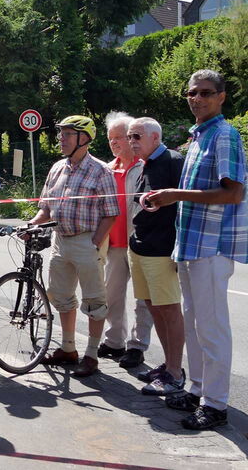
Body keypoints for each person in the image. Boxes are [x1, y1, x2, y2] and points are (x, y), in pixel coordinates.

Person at [147, 69, 247, 430]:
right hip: (190, 244)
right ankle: (198, 389)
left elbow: (233, 193)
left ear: (221, 97)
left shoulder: (224, 135)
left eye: (206, 93)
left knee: (212, 326)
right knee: (194, 323)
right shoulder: (199, 136)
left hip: (211, 246)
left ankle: (216, 404)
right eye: (192, 93)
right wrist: (165, 200)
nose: (198, 99)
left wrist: (174, 195)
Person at [27, 115, 118, 378]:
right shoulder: (57, 168)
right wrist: (31, 225)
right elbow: (45, 208)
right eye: (61, 134)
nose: (61, 139)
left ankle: (91, 355)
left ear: (84, 138)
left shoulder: (101, 171)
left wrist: (94, 243)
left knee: (94, 300)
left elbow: (111, 213)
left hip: (86, 239)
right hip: (60, 240)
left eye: (68, 134)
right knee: (61, 296)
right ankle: (68, 349)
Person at [126, 117, 186, 396]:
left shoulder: (174, 161)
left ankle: (175, 373)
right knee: (153, 306)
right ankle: (168, 365)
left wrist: (178, 248)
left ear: (155, 137)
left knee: (170, 309)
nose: (131, 142)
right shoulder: (143, 165)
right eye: (129, 137)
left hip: (162, 250)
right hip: (140, 247)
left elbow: (186, 204)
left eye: (136, 136)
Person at [96, 112, 153, 367]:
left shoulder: (145, 167)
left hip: (141, 242)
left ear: (132, 138)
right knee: (112, 295)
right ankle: (114, 341)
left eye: (120, 137)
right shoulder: (108, 169)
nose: (115, 142)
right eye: (111, 138)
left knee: (143, 298)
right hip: (115, 243)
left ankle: (137, 346)